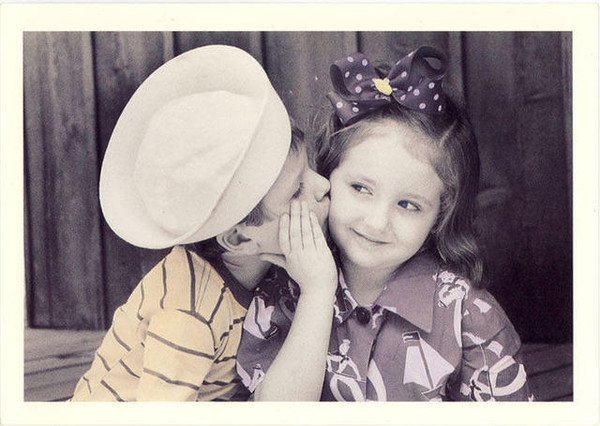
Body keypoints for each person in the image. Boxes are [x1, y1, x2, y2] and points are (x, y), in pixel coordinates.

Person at [236, 47, 534, 401]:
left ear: (440, 214)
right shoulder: (281, 297)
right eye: (360, 188)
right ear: (328, 176)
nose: (377, 222)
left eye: (408, 205)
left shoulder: (468, 318)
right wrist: (316, 294)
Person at [70, 45, 330, 401]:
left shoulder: (266, 260)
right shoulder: (190, 313)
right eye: (297, 190)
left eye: (310, 168)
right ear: (238, 238)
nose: (324, 185)